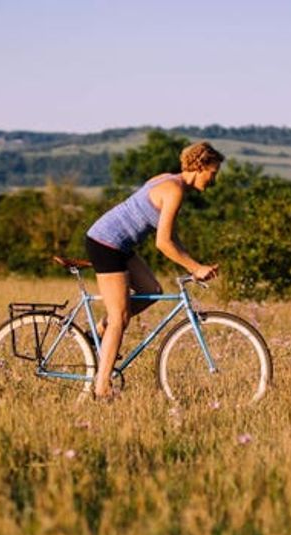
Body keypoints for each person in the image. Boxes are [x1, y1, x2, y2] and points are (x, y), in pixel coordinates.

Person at [85, 141, 224, 399]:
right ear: (200, 166)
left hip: (121, 245)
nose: (213, 179)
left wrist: (194, 264)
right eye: (213, 173)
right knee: (120, 317)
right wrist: (195, 268)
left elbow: (170, 235)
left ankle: (98, 333)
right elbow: (163, 242)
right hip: (106, 243)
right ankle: (102, 387)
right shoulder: (174, 190)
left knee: (152, 290)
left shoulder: (169, 180)